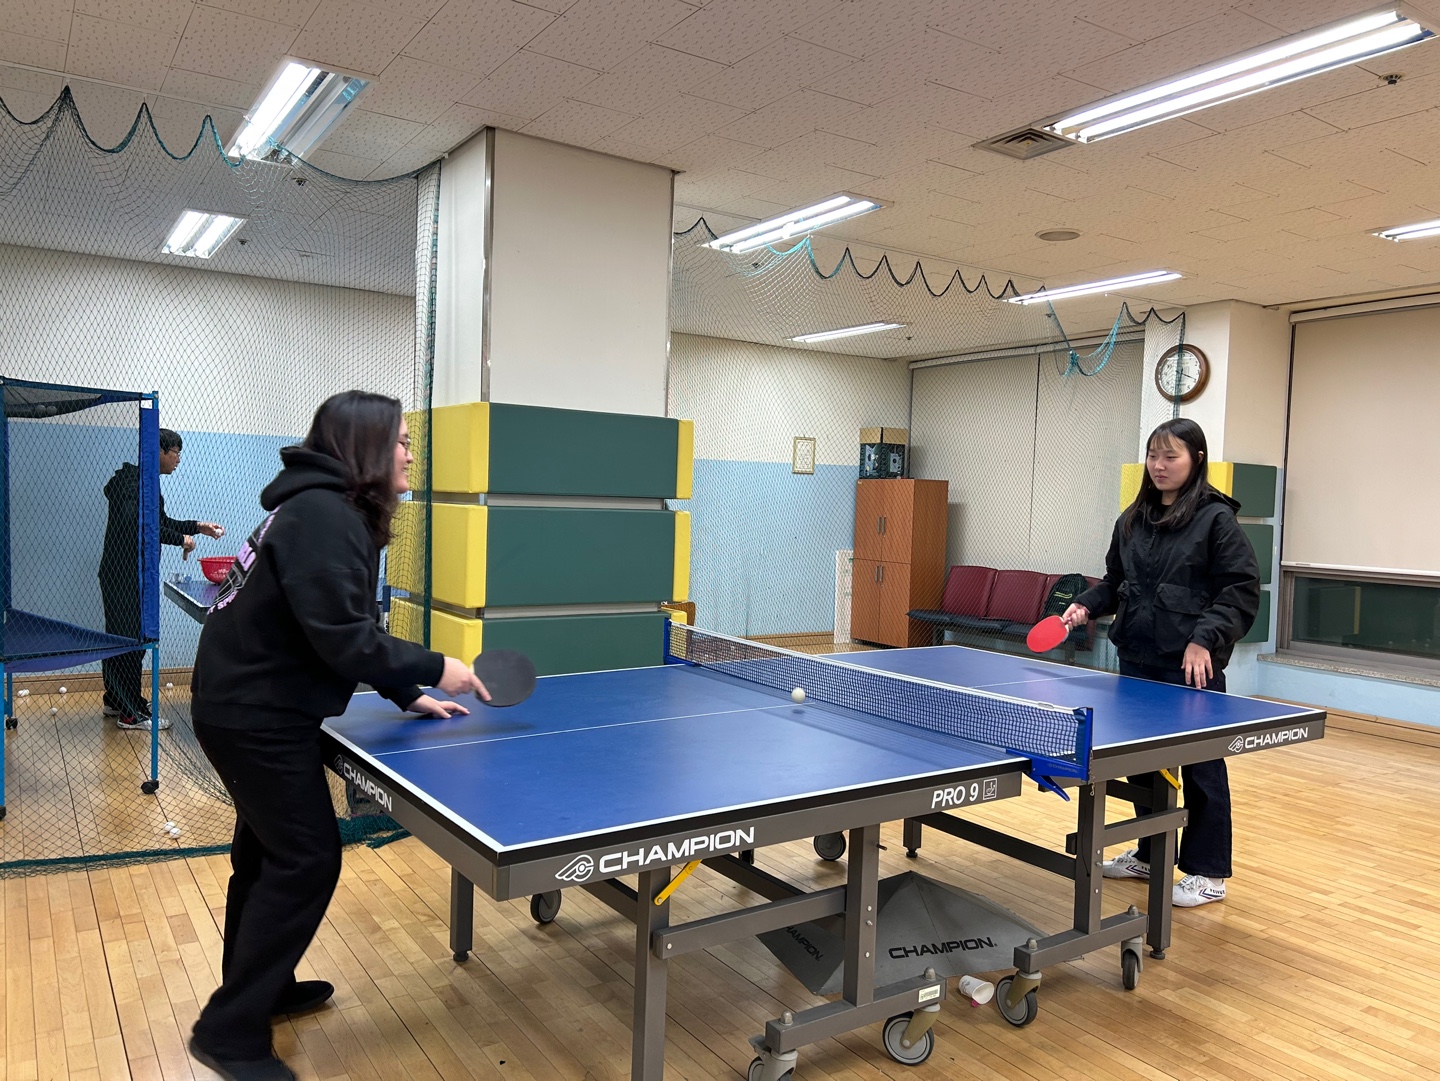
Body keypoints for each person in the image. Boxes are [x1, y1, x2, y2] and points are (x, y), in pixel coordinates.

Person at [186, 391, 489, 1081]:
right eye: (403, 441)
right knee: (307, 858)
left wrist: (406, 691)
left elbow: (341, 625)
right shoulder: (325, 516)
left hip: (245, 702)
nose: (410, 454)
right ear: (367, 447)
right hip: (255, 713)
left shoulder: (320, 508)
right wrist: (437, 667)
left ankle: (260, 989)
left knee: (266, 854)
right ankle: (230, 1032)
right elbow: (346, 638)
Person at [1061, 418, 1259, 909]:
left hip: (1190, 667)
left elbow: (1239, 591)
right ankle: (1151, 855)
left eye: (1171, 456)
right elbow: (1116, 582)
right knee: (1143, 765)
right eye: (1153, 455)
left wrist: (1204, 641)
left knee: (1201, 767)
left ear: (1195, 460)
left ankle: (1207, 872)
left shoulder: (1216, 520)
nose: (1159, 465)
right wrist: (1087, 603)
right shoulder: (1133, 520)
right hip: (1137, 658)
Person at [100, 427, 224, 730]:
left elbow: (159, 522)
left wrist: (196, 527)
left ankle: (117, 699)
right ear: (158, 451)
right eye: (176, 452)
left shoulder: (145, 483)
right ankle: (131, 713)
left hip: (130, 573)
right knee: (131, 639)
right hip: (125, 574)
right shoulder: (133, 483)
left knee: (123, 637)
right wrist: (179, 539)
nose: (178, 459)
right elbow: (137, 524)